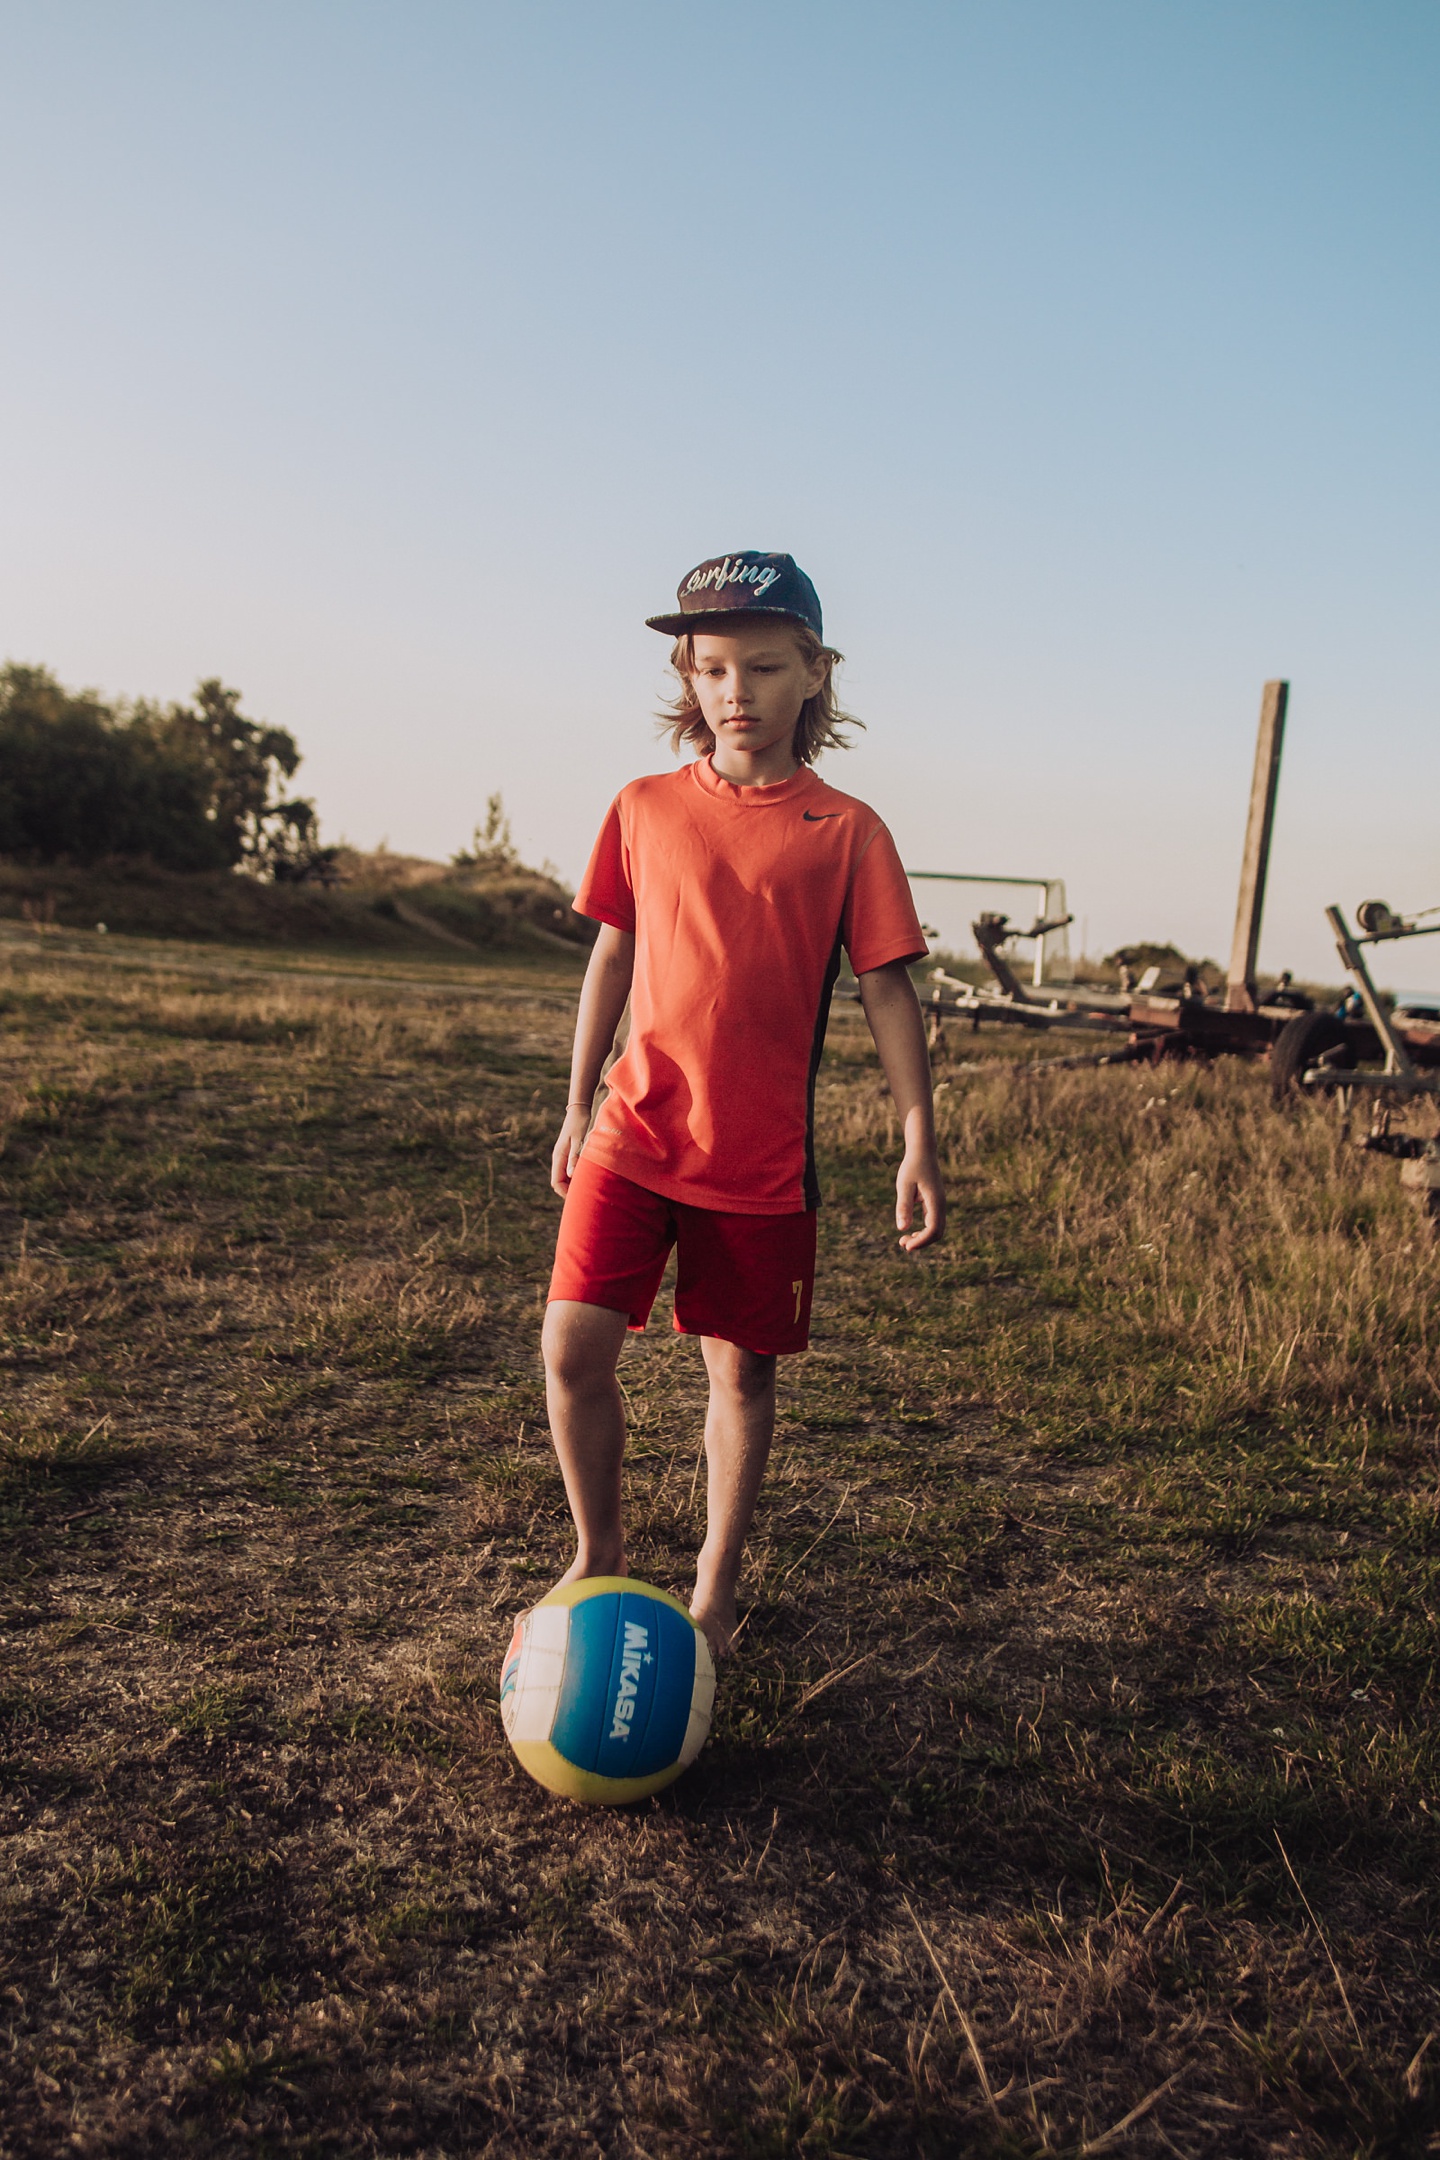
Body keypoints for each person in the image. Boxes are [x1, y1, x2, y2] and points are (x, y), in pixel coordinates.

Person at [542, 551, 945, 1656]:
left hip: (760, 1162)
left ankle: (716, 1588)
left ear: (814, 672)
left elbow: (887, 990)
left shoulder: (848, 832)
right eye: (714, 667)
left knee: (741, 1371)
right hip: (634, 1129)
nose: (737, 692)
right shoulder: (642, 808)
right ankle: (601, 1554)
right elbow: (611, 961)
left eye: (765, 667)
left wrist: (917, 1137)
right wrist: (578, 1102)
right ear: (687, 669)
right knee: (572, 1345)